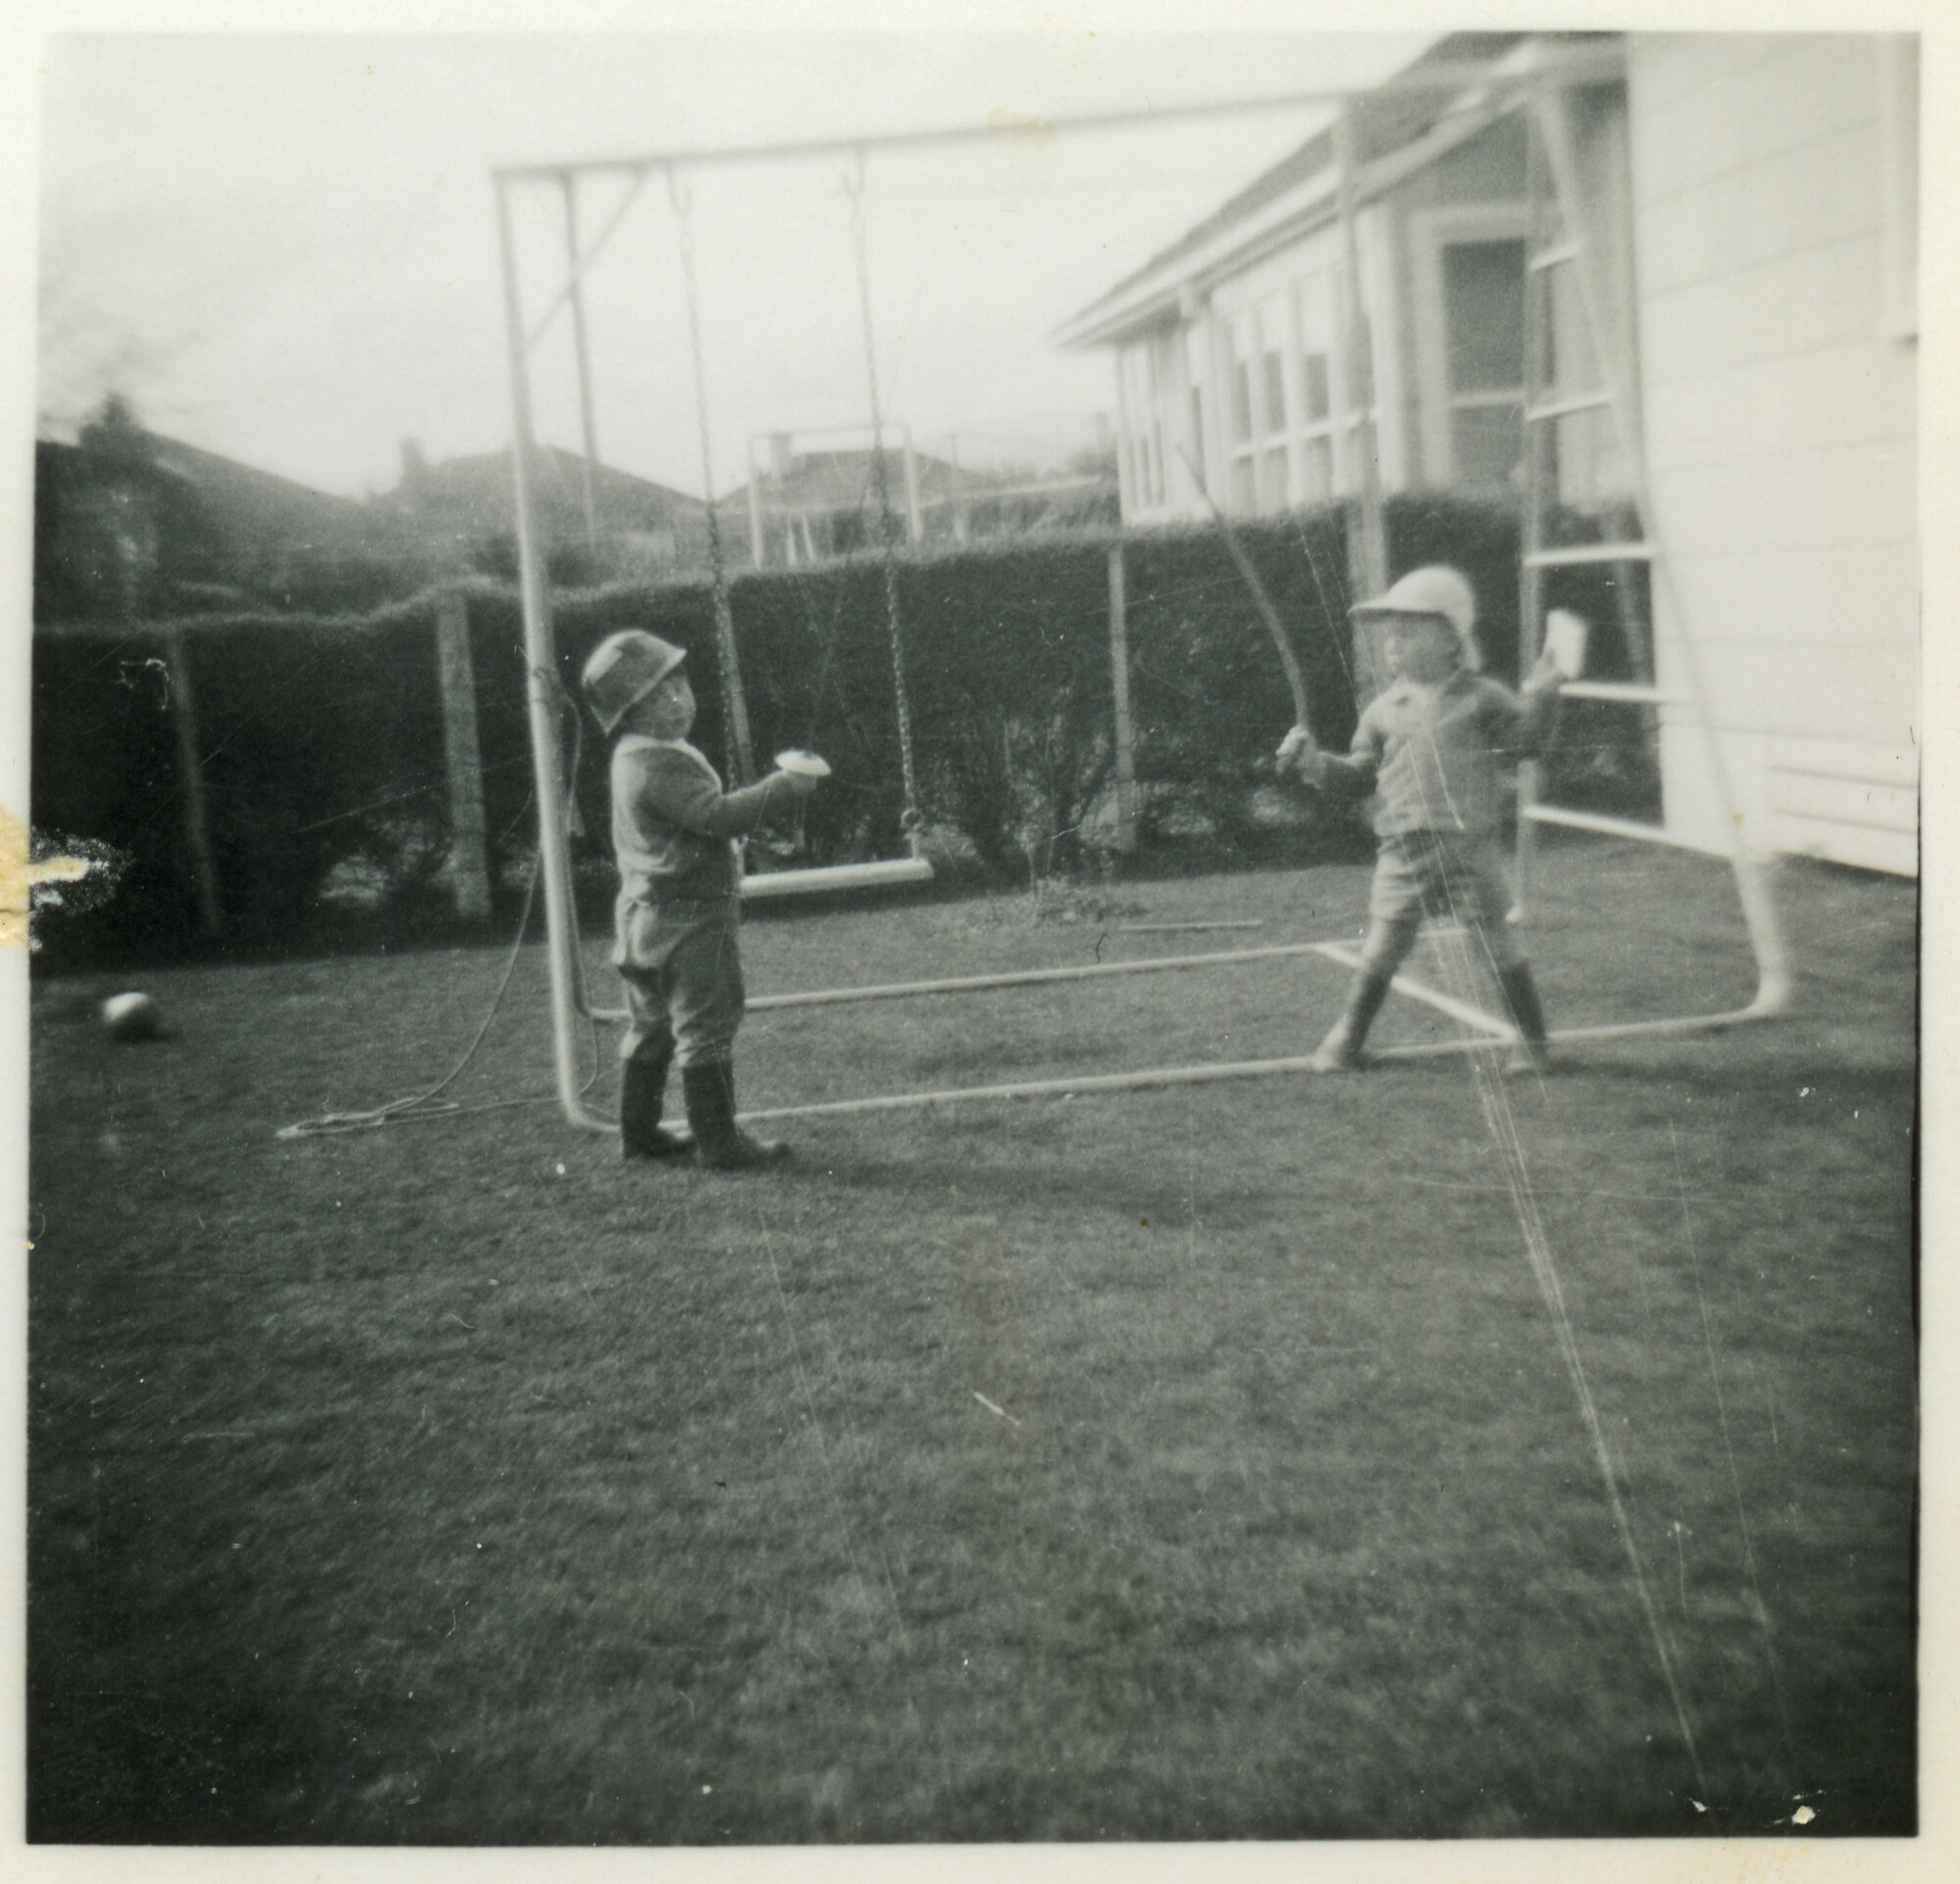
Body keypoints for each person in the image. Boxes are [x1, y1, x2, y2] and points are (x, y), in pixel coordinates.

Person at [1277, 566, 1568, 1077]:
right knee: (1383, 945)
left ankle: (1531, 1043)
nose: (1393, 643)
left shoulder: (1482, 697)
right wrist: (1314, 763)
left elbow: (1528, 743)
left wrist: (1545, 694)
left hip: (1468, 849)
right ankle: (1347, 1038)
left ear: (1452, 639)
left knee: (1494, 942)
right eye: (1390, 635)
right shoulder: (1383, 711)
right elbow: (1359, 775)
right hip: (1402, 851)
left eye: (1408, 632)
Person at [581, 628, 821, 1169]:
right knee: (706, 1027)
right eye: (657, 697)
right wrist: (784, 786)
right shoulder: (658, 764)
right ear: (628, 715)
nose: (678, 700)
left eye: (680, 684)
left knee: (652, 1028)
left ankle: (639, 1135)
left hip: (644, 918)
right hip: (690, 925)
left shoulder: (632, 756)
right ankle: (719, 1142)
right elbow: (716, 816)